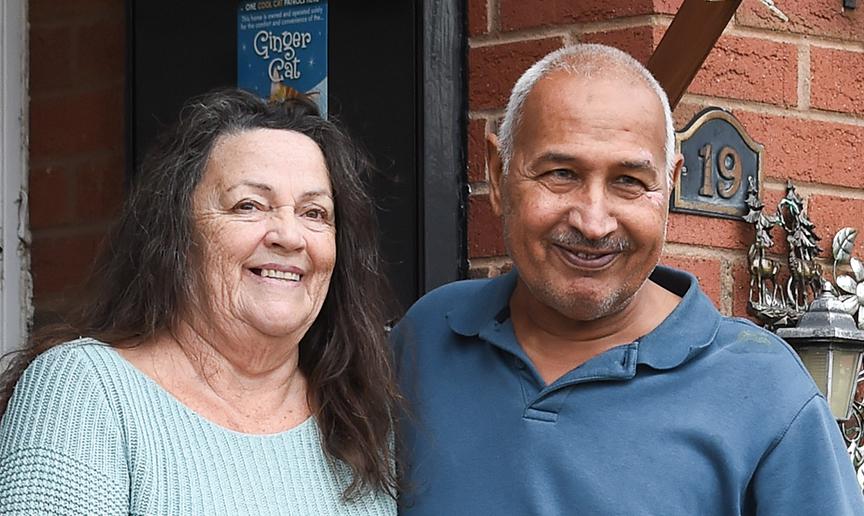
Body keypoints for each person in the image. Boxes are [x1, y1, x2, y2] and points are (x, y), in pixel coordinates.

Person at [392, 44, 864, 515]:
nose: (594, 223)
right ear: (498, 176)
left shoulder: (765, 391)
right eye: (561, 173)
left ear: (670, 187)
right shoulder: (429, 339)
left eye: (629, 182)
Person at [0, 89, 399, 515]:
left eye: (314, 213)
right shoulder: (85, 393)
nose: (289, 235)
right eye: (249, 205)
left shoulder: (356, 416)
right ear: (177, 235)